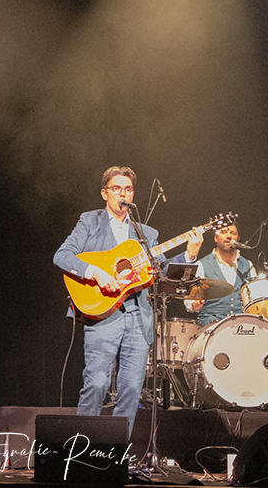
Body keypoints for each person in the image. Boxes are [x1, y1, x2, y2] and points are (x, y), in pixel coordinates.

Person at [53, 166, 200, 437]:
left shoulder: (146, 233)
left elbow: (163, 273)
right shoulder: (90, 221)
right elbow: (62, 256)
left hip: (138, 317)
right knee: (97, 384)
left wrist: (189, 255)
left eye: (128, 189)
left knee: (131, 389)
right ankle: (81, 449)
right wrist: (95, 273)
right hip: (102, 314)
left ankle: (116, 451)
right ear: (105, 193)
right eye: (117, 188)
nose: (123, 194)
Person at [187, 222, 256, 326]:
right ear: (215, 238)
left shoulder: (248, 265)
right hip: (211, 325)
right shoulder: (201, 265)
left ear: (238, 239)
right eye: (223, 232)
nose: (228, 236)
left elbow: (255, 300)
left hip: (242, 326)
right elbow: (189, 300)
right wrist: (194, 304)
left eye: (233, 233)